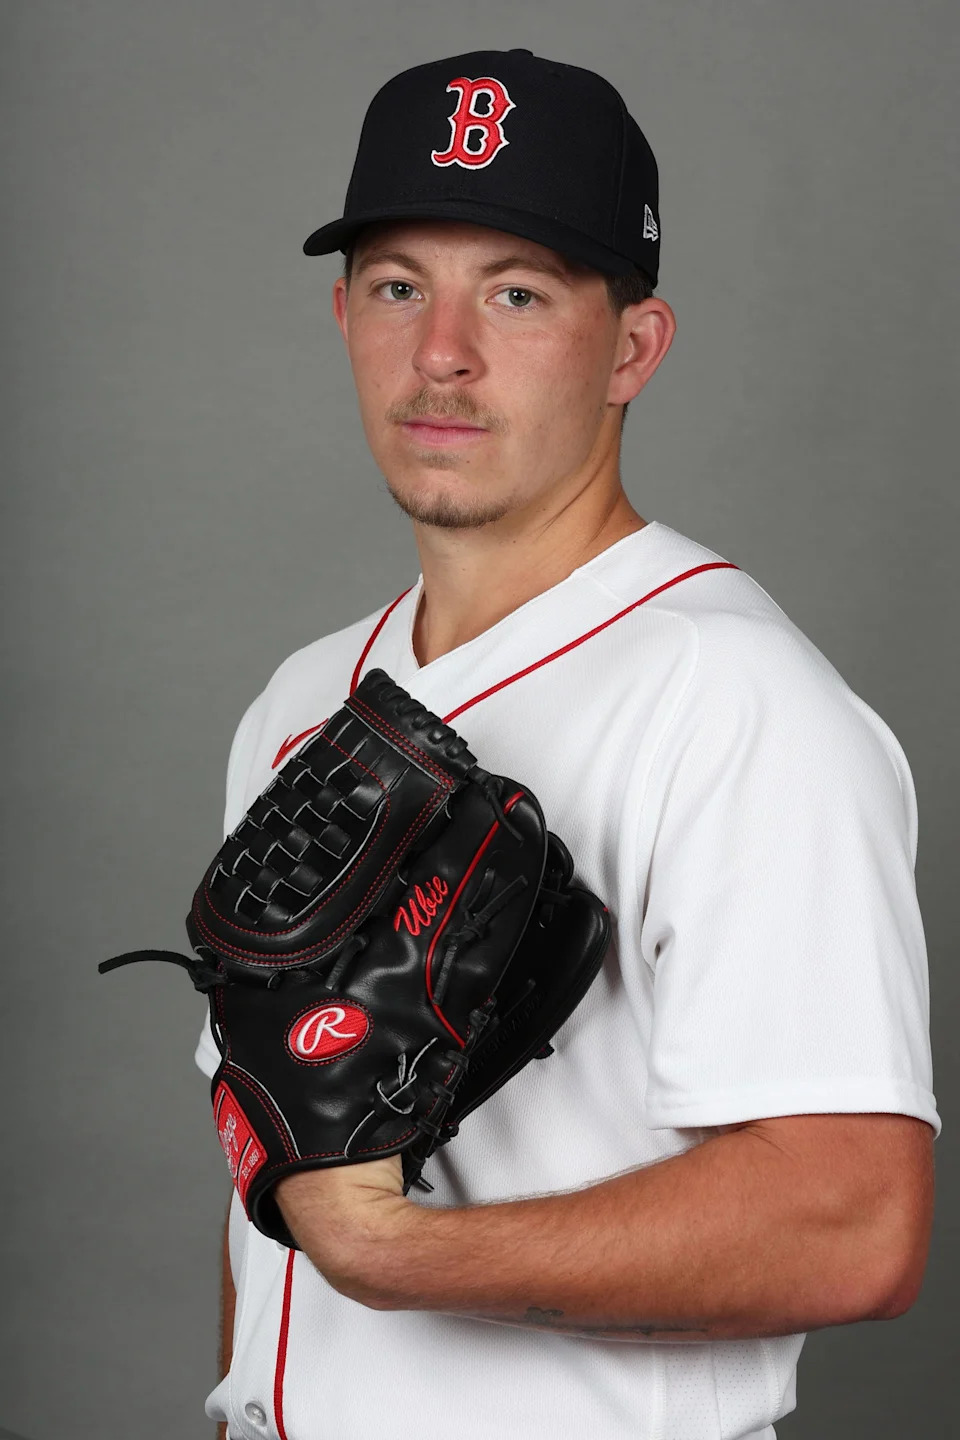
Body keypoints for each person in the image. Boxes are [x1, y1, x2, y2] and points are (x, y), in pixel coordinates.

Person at [195, 48, 939, 1440]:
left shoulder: (734, 697)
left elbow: (855, 1221)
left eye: (517, 292)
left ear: (633, 348)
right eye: (399, 285)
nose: (442, 353)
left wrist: (394, 1254)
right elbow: (263, 1176)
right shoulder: (302, 698)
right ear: (342, 312)